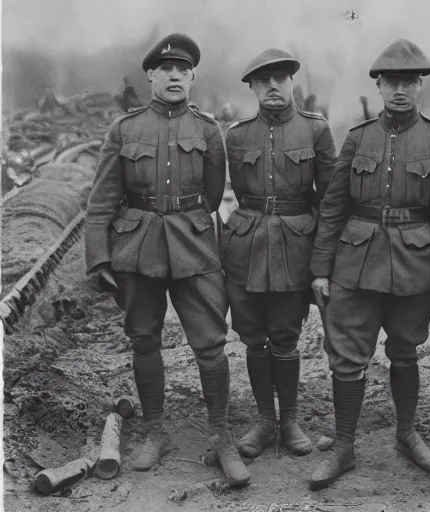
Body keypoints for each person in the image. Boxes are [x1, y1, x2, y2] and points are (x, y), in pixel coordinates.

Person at [308, 39, 430, 491]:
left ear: (420, 85)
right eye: (392, 81)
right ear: (380, 85)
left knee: (405, 350)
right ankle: (345, 446)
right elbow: (332, 207)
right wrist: (320, 269)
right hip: (355, 260)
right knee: (348, 357)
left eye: (409, 81)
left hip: (414, 263)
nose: (401, 89)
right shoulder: (357, 136)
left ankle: (407, 434)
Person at [84, 33, 250, 487]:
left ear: (193, 77)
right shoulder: (124, 129)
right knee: (143, 339)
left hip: (194, 245)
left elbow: (213, 195)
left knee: (211, 344)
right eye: (166, 69)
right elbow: (102, 200)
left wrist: (183, 217)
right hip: (136, 249)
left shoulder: (209, 130)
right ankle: (156, 432)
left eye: (183, 69)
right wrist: (99, 257)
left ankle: (220, 434)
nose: (175, 75)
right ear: (152, 76)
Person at [222, 48, 336, 459]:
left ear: (292, 83)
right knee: (253, 338)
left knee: (285, 337)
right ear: (252, 86)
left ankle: (289, 420)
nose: (273, 86)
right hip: (247, 247)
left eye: (281, 78)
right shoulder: (236, 135)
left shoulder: (316, 131)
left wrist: (322, 261)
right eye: (263, 80)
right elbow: (237, 192)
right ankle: (264, 420)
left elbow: (329, 201)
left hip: (295, 246)